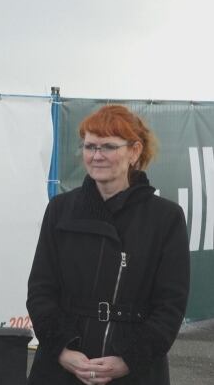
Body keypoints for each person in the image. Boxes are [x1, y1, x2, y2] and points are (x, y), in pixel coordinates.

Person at [26, 105, 189, 385]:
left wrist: (129, 359)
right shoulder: (60, 209)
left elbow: (170, 305)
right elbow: (41, 290)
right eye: (90, 146)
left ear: (135, 151)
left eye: (108, 147)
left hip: (134, 371)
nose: (96, 156)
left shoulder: (165, 217)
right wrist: (63, 350)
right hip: (60, 369)